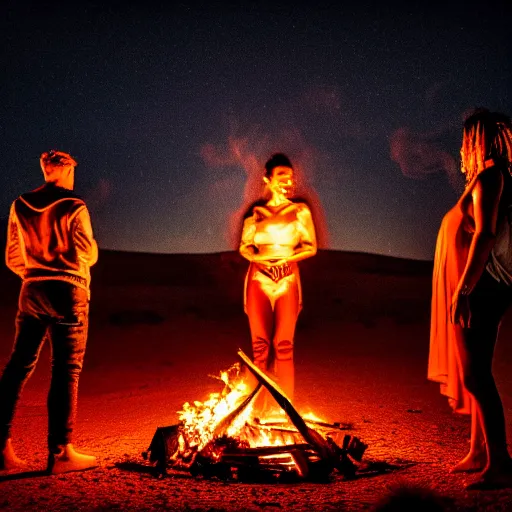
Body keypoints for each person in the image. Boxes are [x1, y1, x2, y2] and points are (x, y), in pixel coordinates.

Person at [0, 150, 98, 474]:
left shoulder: (20, 204)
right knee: (66, 368)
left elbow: (13, 257)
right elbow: (88, 253)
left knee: (18, 366)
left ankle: (0, 448)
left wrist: (36, 273)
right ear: (67, 170)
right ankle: (60, 452)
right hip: (69, 290)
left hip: (31, 290)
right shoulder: (74, 205)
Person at [429, 110, 512, 489]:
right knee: (476, 372)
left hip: (482, 286)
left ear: (479, 139)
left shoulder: (491, 176)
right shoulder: (489, 176)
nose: (463, 147)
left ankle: (500, 464)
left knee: (476, 376)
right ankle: (480, 451)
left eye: (467, 139)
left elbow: (485, 234)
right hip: (479, 285)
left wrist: (463, 289)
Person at [239, 153, 317, 408]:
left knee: (284, 345)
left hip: (287, 278)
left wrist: (284, 259)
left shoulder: (299, 211)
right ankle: (254, 410)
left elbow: (310, 246)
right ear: (268, 179)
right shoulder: (256, 213)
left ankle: (285, 411)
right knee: (259, 347)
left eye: (290, 177)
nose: (287, 182)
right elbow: (244, 247)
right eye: (281, 176)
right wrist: (261, 259)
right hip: (258, 279)